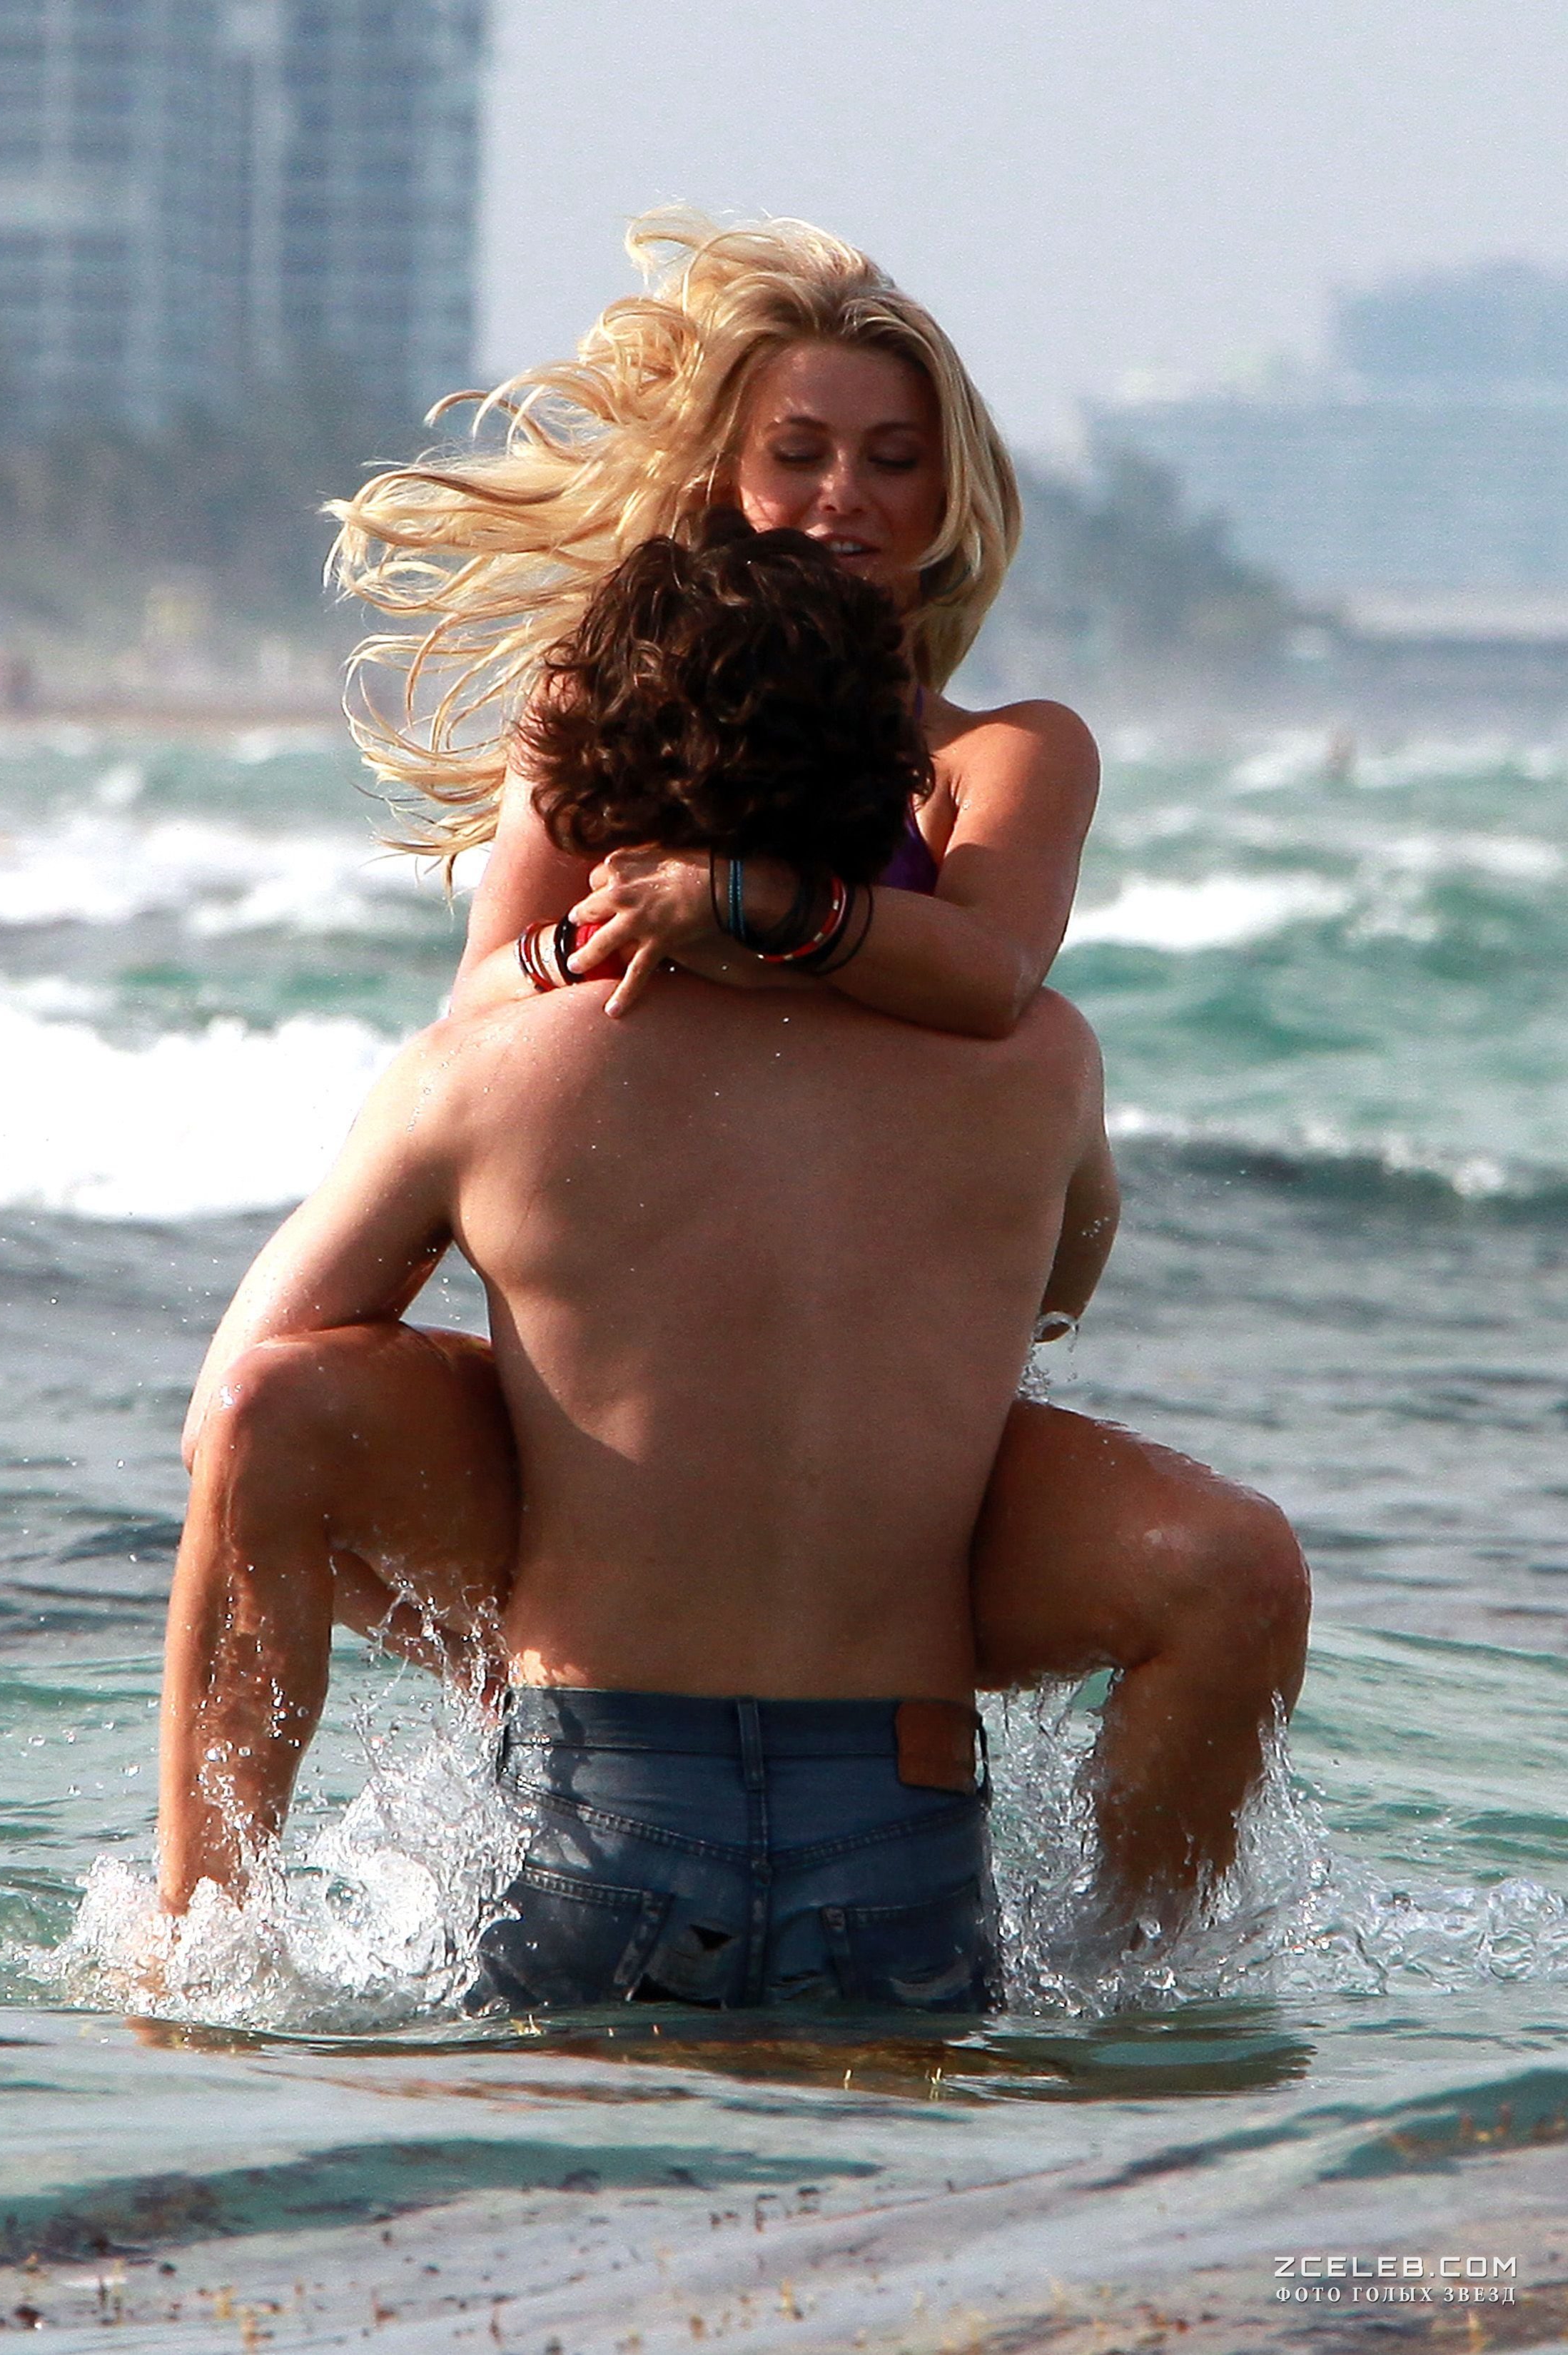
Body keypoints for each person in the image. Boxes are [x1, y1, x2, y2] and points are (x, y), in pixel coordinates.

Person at [159, 517, 1307, 2008]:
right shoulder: (1039, 1067)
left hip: (600, 1822)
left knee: (273, 1405)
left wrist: (487, 1606)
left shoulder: (488, 1072)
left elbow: (226, 1423)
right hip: (900, 1845)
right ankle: (1136, 1983)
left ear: (593, 794)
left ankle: (194, 1951)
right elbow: (1056, 1303)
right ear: (894, 788)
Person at [323, 209, 1308, 1920]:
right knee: (267, 1412)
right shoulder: (595, 711)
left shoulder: (1006, 756)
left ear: (952, 496)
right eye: (799, 453)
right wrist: (612, 936)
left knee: (1229, 1570)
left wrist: (739, 906)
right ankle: (376, 1795)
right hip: (630, 1366)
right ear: (724, 477)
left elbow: (990, 973)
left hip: (868, 1381)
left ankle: (1135, 1979)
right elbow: (485, 1001)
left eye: (893, 460)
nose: (845, 496)